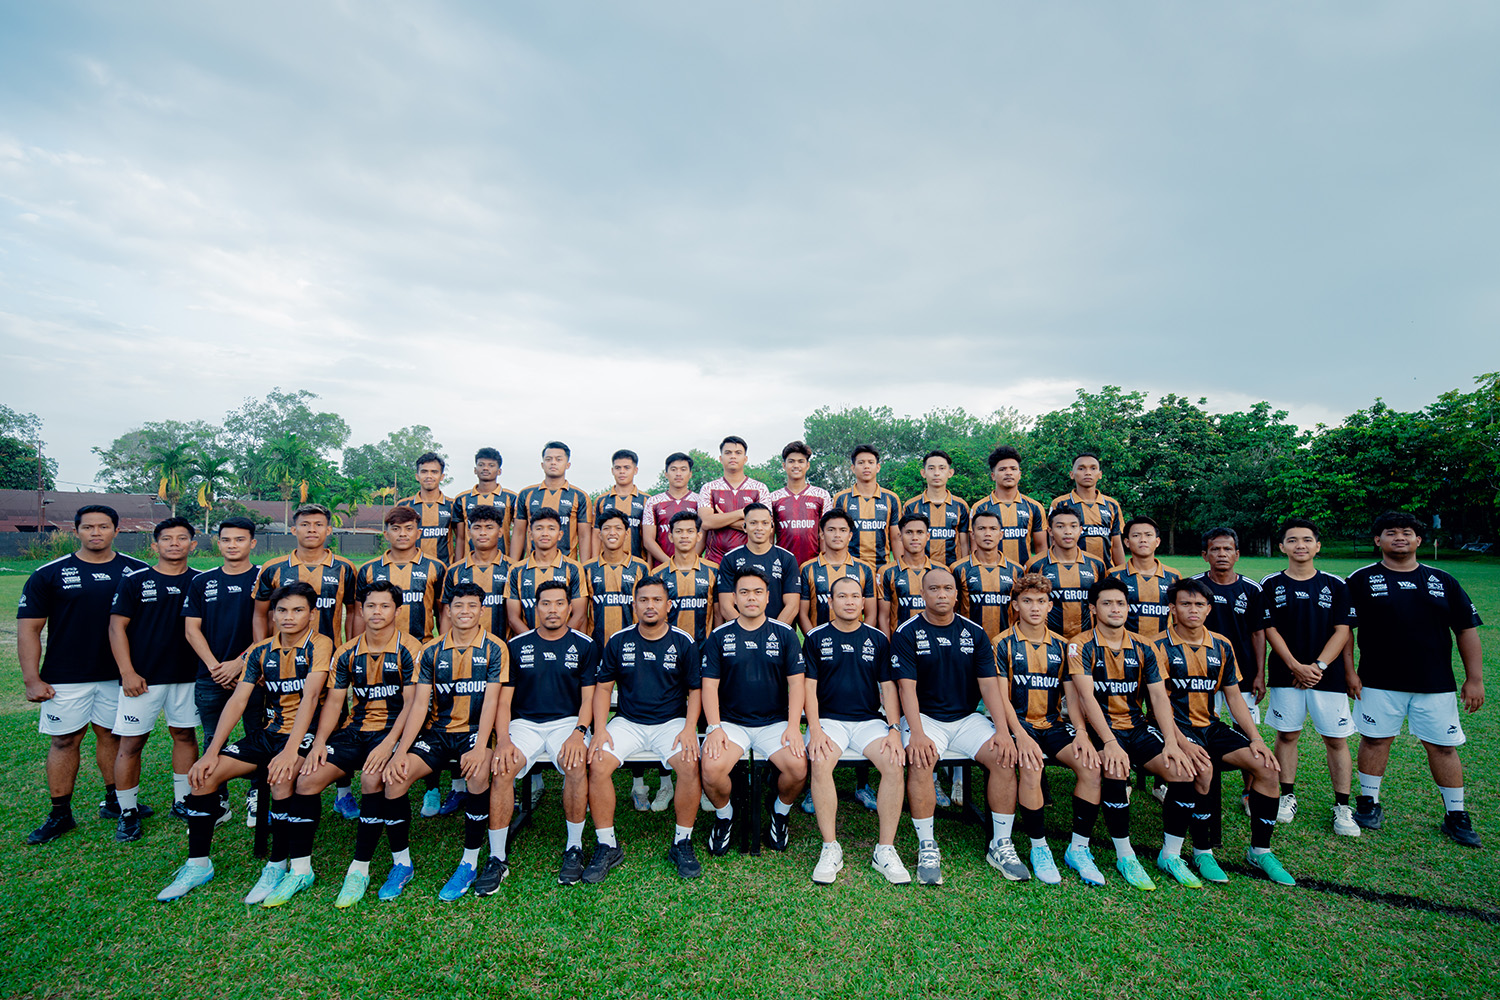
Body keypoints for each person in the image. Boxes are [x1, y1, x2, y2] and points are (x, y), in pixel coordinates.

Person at [155, 581, 332, 903]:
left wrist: (291, 751)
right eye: (282, 610)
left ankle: (276, 865)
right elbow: (237, 701)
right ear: (273, 614)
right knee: (204, 776)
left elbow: (311, 697)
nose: (288, 617)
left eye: (297, 610)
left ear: (312, 614)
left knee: (280, 778)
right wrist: (210, 753)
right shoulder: (260, 650)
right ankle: (198, 864)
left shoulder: (320, 645)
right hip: (268, 733)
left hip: (305, 735)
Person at [1346, 511, 1484, 847]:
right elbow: (1344, 630)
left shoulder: (1443, 580)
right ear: (1377, 541)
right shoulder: (1360, 579)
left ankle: (1456, 815)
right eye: (1390, 533)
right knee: (1376, 739)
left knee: (1442, 746)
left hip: (1435, 683)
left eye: (1407, 532)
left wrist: (1474, 679)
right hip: (1377, 681)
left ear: (1419, 540)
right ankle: (1368, 802)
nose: (1399, 538)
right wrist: (1349, 672)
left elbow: (1466, 630)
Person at [285, 581, 426, 907]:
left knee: (371, 777)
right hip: (355, 731)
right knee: (307, 779)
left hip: (394, 730)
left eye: (384, 606)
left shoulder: (410, 648)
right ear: (360, 610)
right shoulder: (346, 651)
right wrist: (320, 742)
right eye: (371, 606)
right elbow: (334, 703)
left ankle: (360, 868)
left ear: (397, 610)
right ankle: (300, 869)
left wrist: (390, 743)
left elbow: (412, 703)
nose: (377, 612)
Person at [18, 504, 148, 845]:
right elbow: (30, 629)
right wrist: (32, 679)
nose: (95, 533)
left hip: (119, 674)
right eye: (88, 527)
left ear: (116, 531)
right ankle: (60, 812)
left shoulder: (137, 571)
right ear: (76, 531)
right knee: (64, 740)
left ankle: (114, 801)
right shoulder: (49, 574)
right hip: (65, 675)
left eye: (103, 527)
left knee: (112, 737)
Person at [893, 565, 1029, 885]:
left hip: (966, 718)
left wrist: (1001, 730)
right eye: (934, 589)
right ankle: (927, 845)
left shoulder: (974, 632)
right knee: (921, 759)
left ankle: (1001, 844)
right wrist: (918, 733)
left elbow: (989, 686)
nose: (942, 594)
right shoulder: (907, 632)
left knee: (1003, 757)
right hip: (925, 717)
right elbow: (906, 689)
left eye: (948, 589)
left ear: (957, 594)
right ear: (922, 594)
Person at [1154, 578, 1294, 887]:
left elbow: (1234, 697)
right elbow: (1157, 702)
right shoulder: (1157, 646)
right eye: (1185, 604)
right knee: (1201, 767)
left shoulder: (1221, 644)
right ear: (1172, 608)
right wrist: (1179, 740)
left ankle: (1260, 850)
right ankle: (1203, 851)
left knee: (1268, 768)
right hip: (1176, 728)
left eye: (1199, 605)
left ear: (1208, 609)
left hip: (1210, 726)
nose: (1193, 610)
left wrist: (1255, 738)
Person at [377, 583, 507, 901]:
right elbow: (420, 705)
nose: (465, 612)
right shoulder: (432, 650)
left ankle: (470, 861)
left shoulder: (495, 648)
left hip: (475, 731)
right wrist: (401, 751)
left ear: (482, 610)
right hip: (437, 733)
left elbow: (492, 702)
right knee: (396, 778)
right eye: (458, 606)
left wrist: (480, 748)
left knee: (477, 774)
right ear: (447, 611)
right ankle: (401, 864)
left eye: (472, 606)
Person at [1066, 578, 1197, 891]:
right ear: (1093, 609)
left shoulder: (1144, 645)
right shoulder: (1080, 644)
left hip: (1135, 727)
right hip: (1100, 728)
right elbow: (1086, 698)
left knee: (1182, 772)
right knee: (1114, 768)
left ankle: (1171, 854)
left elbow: (1159, 697)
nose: (1115, 609)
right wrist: (1109, 742)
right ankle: (1125, 855)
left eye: (1120, 603)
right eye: (1107, 603)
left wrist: (1171, 742)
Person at [586, 577, 706, 881]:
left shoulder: (683, 641)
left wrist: (690, 728)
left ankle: (682, 841)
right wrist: (600, 729)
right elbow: (602, 690)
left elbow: (696, 690)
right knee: (598, 763)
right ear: (633, 604)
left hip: (671, 722)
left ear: (668, 606)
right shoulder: (619, 640)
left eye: (656, 600)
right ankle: (606, 844)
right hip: (629, 721)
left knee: (690, 763)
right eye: (643, 600)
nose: (650, 606)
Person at [992, 573, 1105, 886]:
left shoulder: (1064, 645)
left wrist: (1081, 731)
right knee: (1030, 767)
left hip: (1054, 724)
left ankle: (1079, 848)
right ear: (1015, 605)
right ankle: (1039, 847)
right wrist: (1022, 736)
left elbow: (1073, 695)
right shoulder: (1002, 643)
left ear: (1050, 605)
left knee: (1091, 767)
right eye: (1027, 601)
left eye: (1041, 601)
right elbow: (1000, 701)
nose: (1034, 608)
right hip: (1019, 723)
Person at [486, 582, 598, 889]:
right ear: (536, 608)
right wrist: (504, 740)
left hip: (567, 723)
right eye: (545, 604)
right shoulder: (516, 645)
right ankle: (497, 858)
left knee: (576, 765)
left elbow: (589, 699)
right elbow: (504, 701)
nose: (552, 610)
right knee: (502, 768)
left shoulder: (585, 644)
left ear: (569, 608)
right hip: (525, 724)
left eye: (559, 604)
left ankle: (573, 847)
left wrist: (579, 732)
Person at [803, 575, 910, 884]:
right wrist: (816, 729)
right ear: (830, 602)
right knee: (820, 762)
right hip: (829, 721)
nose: (849, 602)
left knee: (893, 763)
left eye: (855, 596)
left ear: (863, 602)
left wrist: (892, 728)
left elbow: (888, 689)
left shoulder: (877, 638)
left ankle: (885, 850)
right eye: (842, 596)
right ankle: (830, 847)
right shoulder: (815, 637)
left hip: (868, 720)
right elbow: (808, 689)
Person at [1260, 518, 1360, 837]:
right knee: (1287, 735)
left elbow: (1342, 630)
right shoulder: (1271, 584)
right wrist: (1294, 665)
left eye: (1306, 540)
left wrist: (1317, 666)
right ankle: (1286, 796)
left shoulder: (1335, 584)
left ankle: (1343, 806)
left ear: (1317, 545)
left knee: (1335, 739)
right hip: (1285, 673)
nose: (1299, 545)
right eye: (1292, 540)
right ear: (1282, 547)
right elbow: (1269, 629)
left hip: (1325, 676)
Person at [700, 568, 807, 855]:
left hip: (775, 723)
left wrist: (794, 727)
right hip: (731, 723)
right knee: (711, 769)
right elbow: (709, 687)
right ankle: (725, 816)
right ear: (733, 597)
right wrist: (714, 727)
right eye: (744, 592)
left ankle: (780, 811)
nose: (751, 598)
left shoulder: (785, 634)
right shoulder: (720, 636)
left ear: (768, 597)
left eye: (758, 592)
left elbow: (797, 685)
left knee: (798, 768)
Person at [107, 517, 202, 841]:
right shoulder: (135, 581)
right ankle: (128, 811)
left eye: (181, 538)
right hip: (143, 679)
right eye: (167, 538)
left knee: (185, 736)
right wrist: (127, 672)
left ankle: (182, 800)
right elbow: (116, 627)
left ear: (193, 543)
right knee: (132, 743)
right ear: (155, 544)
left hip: (187, 677)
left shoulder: (201, 581)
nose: (174, 543)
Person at [588, 508, 670, 814]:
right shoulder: (588, 568)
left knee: (657, 708)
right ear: (599, 533)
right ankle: (638, 786)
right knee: (628, 712)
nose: (612, 532)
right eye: (606, 527)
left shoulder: (638, 567)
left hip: (643, 649)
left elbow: (650, 605)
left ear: (627, 534)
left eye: (618, 528)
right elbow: (583, 615)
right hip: (605, 652)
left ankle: (665, 781)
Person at [183, 516, 262, 827]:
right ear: (218, 543)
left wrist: (241, 662)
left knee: (258, 736)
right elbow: (192, 630)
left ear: (252, 543)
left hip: (255, 674)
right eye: (226, 539)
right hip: (211, 676)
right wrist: (216, 666)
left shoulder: (263, 578)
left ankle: (258, 794)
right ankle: (217, 796)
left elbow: (270, 630)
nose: (233, 545)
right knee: (215, 736)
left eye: (240, 539)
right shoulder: (202, 581)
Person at [252, 503, 358, 648]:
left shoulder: (344, 568)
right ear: (294, 530)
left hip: (330, 655)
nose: (312, 530)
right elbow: (260, 615)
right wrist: (260, 654)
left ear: (328, 530)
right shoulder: (272, 568)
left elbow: (353, 613)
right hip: (282, 658)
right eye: (305, 524)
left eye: (318, 524)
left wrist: (350, 652)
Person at [1193, 527, 1269, 726]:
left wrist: (1260, 674)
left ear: (1237, 555)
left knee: (1246, 730)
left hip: (1243, 671)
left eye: (1227, 549)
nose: (1221, 554)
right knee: (1203, 728)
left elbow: (1258, 634)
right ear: (1205, 555)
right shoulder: (1193, 588)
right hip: (1202, 671)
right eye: (1215, 549)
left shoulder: (1253, 590)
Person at [353, 506, 446, 641]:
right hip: (380, 647)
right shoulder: (369, 569)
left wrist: (442, 649)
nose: (402, 534)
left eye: (409, 528)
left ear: (418, 533)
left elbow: (442, 613)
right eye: (396, 529)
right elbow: (358, 614)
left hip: (422, 646)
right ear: (386, 534)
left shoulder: (435, 567)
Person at [1026, 507, 1109, 639]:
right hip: (1047, 641)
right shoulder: (1036, 565)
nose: (1068, 532)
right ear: (1050, 531)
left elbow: (1104, 604)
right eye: (1060, 526)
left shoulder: (1096, 564)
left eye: (1073, 526)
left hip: (1086, 640)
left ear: (1080, 530)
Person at [716, 503, 800, 626]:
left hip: (777, 635)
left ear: (772, 527)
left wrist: (773, 632)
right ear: (744, 527)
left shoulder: (787, 558)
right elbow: (726, 606)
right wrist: (747, 630)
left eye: (765, 523)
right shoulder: (730, 559)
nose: (759, 528)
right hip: (742, 635)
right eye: (753, 523)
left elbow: (792, 606)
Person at [506, 508, 588, 635]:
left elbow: (579, 614)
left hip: (564, 644)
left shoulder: (574, 568)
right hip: (529, 646)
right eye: (539, 528)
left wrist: (558, 640)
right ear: (531, 534)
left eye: (551, 528)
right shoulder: (516, 570)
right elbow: (513, 618)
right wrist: (536, 643)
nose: (545, 533)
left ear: (560, 534)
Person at [797, 508, 878, 634]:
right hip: (819, 645)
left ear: (850, 535)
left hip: (855, 643)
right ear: (822, 534)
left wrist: (859, 638)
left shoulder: (864, 569)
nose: (837, 535)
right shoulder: (807, 568)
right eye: (831, 530)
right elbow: (802, 614)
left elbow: (871, 614)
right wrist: (814, 640)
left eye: (843, 530)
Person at [697, 436, 771, 565]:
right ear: (720, 458)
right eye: (728, 453)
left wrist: (720, 519)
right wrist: (741, 513)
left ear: (745, 458)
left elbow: (764, 527)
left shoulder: (760, 488)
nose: (733, 456)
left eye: (738, 453)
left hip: (751, 558)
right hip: (715, 560)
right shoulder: (709, 488)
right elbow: (706, 522)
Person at [513, 441, 591, 562]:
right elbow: (518, 533)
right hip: (532, 567)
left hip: (567, 565)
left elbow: (584, 536)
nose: (553, 462)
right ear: (542, 464)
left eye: (558, 459)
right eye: (549, 459)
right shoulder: (526, 494)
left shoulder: (579, 496)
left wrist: (584, 568)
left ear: (567, 465)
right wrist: (514, 565)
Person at [953, 510, 1024, 642]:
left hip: (1005, 642)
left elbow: (1019, 611)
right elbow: (952, 609)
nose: (987, 534)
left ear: (1001, 534)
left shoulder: (1016, 570)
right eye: (981, 529)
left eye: (993, 529)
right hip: (968, 642)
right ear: (973, 534)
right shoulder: (958, 569)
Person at [970, 446, 1047, 566]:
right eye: (1002, 469)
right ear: (993, 476)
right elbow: (975, 549)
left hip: (1024, 577)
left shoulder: (1034, 507)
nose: (1008, 473)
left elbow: (1041, 547)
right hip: (991, 576)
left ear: (1019, 474)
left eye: (1013, 469)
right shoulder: (980, 508)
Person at [441, 505, 510, 639]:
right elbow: (446, 615)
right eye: (477, 527)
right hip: (464, 648)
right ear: (469, 532)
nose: (483, 533)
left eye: (489, 528)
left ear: (500, 532)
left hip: (504, 647)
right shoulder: (455, 571)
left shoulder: (513, 569)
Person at [1108, 516, 1181, 641]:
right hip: (1125, 647)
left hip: (1162, 648)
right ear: (1127, 542)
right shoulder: (1114, 575)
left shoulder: (1173, 576)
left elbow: (1179, 618)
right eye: (1136, 535)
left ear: (1157, 541)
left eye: (1148, 535)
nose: (1143, 540)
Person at [651, 511, 718, 647]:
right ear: (671, 536)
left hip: (704, 649)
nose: (684, 536)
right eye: (679, 531)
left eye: (690, 531)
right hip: (668, 649)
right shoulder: (657, 574)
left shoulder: (713, 570)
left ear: (699, 536)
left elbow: (718, 613)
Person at [1050, 452, 1125, 569]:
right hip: (1073, 571)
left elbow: (1116, 544)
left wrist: (1122, 573)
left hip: (1105, 572)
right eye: (1081, 468)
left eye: (1093, 468)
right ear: (1072, 474)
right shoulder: (1060, 503)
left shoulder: (1112, 505)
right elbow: (1053, 540)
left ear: (1100, 474)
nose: (1088, 473)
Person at [832, 445, 901, 570]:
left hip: (881, 567)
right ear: (853, 468)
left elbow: (896, 538)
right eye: (861, 463)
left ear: (878, 467)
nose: (866, 466)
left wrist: (899, 569)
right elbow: (834, 535)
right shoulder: (841, 498)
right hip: (850, 567)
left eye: (871, 462)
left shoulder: (891, 498)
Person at [767, 440, 832, 567]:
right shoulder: (773, 498)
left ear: (807, 465)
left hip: (814, 565)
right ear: (784, 465)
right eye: (791, 461)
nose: (796, 465)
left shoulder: (821, 495)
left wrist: (825, 563)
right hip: (783, 565)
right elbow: (769, 535)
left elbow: (825, 533)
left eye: (800, 461)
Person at [902, 450, 970, 567]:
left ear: (950, 473)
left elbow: (964, 544)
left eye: (942, 468)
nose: (937, 473)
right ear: (923, 473)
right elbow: (905, 541)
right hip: (921, 570)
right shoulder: (911, 505)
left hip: (952, 571)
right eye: (931, 468)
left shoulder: (960, 505)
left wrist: (963, 569)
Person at [397, 451, 460, 566]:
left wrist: (456, 568)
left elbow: (461, 539)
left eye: (434, 472)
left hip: (444, 570)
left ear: (442, 477)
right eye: (424, 472)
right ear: (417, 476)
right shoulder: (404, 505)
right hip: (411, 569)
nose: (429, 476)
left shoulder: (452, 505)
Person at [454, 447, 518, 555]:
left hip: (502, 563)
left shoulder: (511, 498)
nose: (485, 468)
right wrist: (457, 566)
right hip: (470, 563)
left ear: (499, 471)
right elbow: (460, 538)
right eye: (481, 465)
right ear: (475, 469)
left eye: (491, 465)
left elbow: (519, 533)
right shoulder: (462, 499)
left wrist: (514, 563)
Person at [879, 512, 934, 635]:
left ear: (928, 536)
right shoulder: (887, 572)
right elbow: (884, 617)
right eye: (909, 532)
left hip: (933, 644)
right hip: (900, 644)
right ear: (900, 536)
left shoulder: (940, 571)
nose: (915, 537)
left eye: (920, 532)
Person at [642, 452, 700, 567]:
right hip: (661, 567)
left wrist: (687, 562)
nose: (678, 474)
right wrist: (670, 564)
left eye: (683, 469)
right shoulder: (653, 502)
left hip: (693, 567)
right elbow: (648, 540)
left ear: (690, 474)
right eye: (673, 469)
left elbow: (703, 536)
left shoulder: (700, 501)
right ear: (666, 474)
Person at [593, 449, 647, 560]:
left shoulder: (646, 500)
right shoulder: (601, 500)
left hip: (638, 562)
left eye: (627, 468)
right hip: (606, 564)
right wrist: (594, 563)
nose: (622, 471)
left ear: (635, 470)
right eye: (618, 468)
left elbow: (650, 538)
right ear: (612, 470)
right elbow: (596, 534)